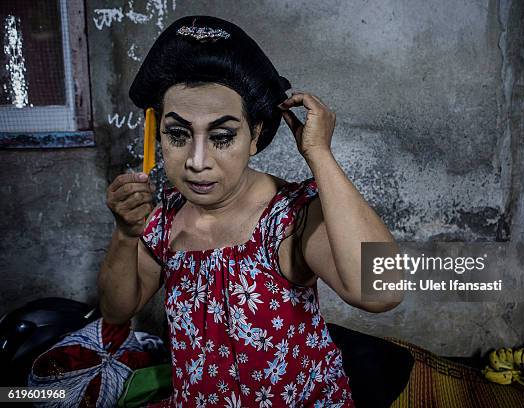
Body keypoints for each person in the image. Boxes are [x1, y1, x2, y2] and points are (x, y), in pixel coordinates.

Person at [98, 15, 400, 407]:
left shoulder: (288, 216)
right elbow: (117, 309)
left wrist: (320, 155)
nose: (197, 161)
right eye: (178, 134)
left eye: (222, 137)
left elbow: (383, 291)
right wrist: (125, 233)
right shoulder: (164, 217)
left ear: (255, 135)